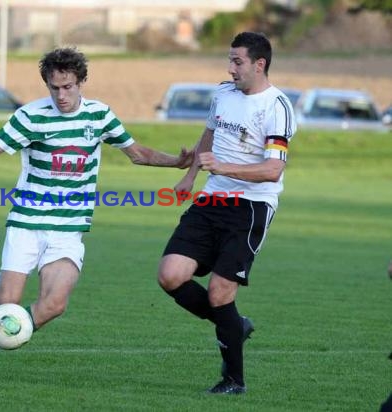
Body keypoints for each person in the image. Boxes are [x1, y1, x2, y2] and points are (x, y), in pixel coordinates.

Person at [0, 46, 192, 384]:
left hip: (68, 230)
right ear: (46, 84)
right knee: (7, 305)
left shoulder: (100, 116)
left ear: (81, 82)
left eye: (68, 87)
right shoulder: (30, 116)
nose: (61, 95)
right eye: (54, 88)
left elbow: (137, 153)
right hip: (28, 221)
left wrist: (176, 162)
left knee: (54, 304)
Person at [157, 32, 296, 395]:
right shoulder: (223, 93)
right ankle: (236, 325)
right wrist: (190, 175)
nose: (230, 68)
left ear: (259, 64)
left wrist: (223, 167)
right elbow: (210, 132)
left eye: (237, 61)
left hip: (251, 207)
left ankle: (234, 381)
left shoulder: (277, 106)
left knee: (220, 293)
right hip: (212, 200)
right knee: (170, 275)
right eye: (229, 60)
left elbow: (272, 170)